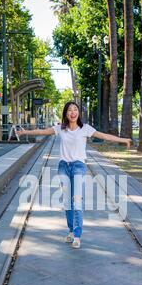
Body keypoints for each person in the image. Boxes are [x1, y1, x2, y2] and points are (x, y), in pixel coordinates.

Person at [16, 101, 131, 249]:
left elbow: (104, 136)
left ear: (78, 113)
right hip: (63, 167)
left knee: (77, 201)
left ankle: (77, 235)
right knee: (67, 203)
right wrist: (25, 132)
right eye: (69, 110)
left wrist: (124, 140)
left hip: (78, 166)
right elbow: (42, 131)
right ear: (66, 113)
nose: (72, 112)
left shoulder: (85, 129)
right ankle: (71, 231)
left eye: (75, 109)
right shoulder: (60, 129)